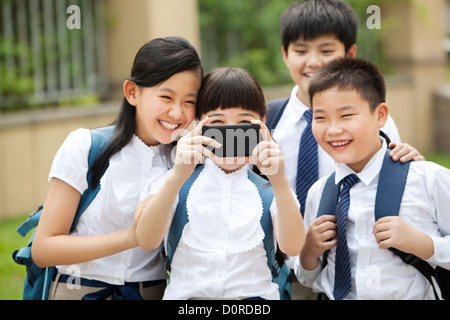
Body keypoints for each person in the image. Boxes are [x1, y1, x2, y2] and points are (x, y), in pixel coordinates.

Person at [267, 0, 424, 299]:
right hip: (278, 272)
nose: (313, 62)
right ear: (285, 54)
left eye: (326, 51)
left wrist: (408, 160)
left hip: (345, 271)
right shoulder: (268, 121)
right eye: (301, 51)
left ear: (349, 54)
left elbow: (393, 177)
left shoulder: (377, 122)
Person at [31, 37, 204, 300]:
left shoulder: (188, 164)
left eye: (189, 102)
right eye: (166, 97)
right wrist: (130, 237)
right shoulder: (86, 147)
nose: (177, 113)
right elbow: (44, 249)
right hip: (77, 290)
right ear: (132, 92)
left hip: (151, 293)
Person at [135, 67, 305, 300]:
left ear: (262, 122)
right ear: (198, 123)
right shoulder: (173, 181)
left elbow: (293, 247)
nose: (230, 131)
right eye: (218, 121)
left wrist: (280, 182)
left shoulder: (271, 189)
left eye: (244, 121)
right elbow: (146, 240)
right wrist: (176, 176)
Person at [296, 57, 450, 300]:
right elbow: (307, 279)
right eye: (321, 117)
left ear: (380, 116)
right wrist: (309, 252)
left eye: (346, 115)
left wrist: (422, 243)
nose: (333, 129)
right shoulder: (320, 193)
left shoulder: (426, 179)